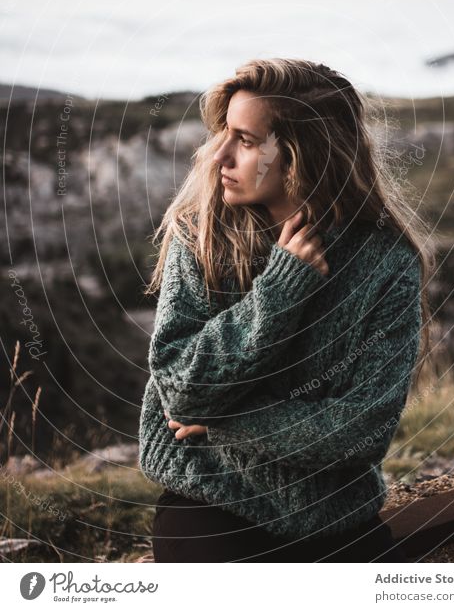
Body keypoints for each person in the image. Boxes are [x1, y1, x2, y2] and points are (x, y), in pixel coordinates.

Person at [138, 58, 436, 562]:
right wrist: (278, 293)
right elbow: (179, 384)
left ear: (304, 156)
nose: (219, 157)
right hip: (212, 497)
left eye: (247, 141)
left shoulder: (385, 263)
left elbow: (360, 431)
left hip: (334, 512)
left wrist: (225, 420)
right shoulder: (201, 235)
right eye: (224, 135)